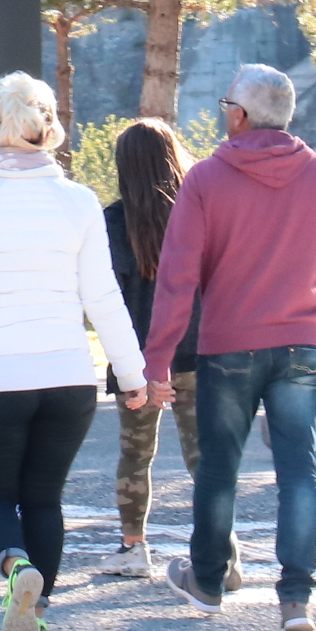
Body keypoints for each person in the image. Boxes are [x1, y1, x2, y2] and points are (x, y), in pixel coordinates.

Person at [0, 73, 154, 631]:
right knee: (45, 496)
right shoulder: (79, 203)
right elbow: (103, 298)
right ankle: (38, 615)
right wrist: (133, 373)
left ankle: (16, 567)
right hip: (67, 377)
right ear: (51, 130)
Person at [147, 64, 316, 631]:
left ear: (239, 115)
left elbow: (177, 278)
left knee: (220, 469)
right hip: (302, 343)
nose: (224, 114)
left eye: (226, 105)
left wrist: (159, 361)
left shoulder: (204, 180)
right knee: (300, 472)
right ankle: (296, 599)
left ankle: (208, 583)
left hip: (231, 346)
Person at [94, 119, 207, 582]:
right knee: (204, 457)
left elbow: (104, 295)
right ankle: (220, 550)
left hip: (135, 359)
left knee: (135, 456)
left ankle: (133, 548)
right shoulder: (199, 212)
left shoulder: (112, 222)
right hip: (199, 354)